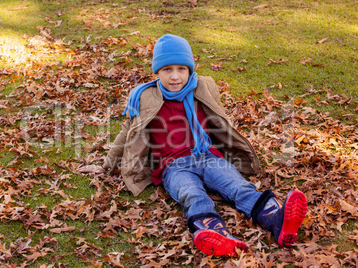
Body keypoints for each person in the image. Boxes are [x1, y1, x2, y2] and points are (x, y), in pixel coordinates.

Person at [100, 34, 307, 257]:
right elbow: (126, 133)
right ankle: (213, 232)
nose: (175, 76)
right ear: (157, 72)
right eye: (167, 69)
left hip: (208, 156)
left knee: (237, 184)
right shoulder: (145, 97)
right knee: (191, 193)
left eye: (181, 68)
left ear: (190, 69)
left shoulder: (202, 88)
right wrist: (106, 165)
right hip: (174, 166)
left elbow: (221, 119)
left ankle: (276, 219)